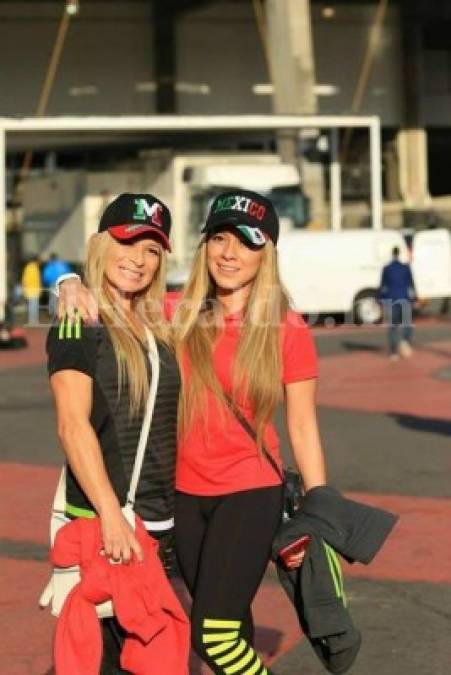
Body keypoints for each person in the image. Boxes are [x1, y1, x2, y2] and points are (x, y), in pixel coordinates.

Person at [56, 189, 327, 675]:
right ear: (204, 246)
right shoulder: (178, 311)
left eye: (247, 242)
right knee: (228, 625)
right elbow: (117, 291)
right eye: (219, 238)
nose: (230, 253)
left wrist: (321, 506)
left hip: (249, 491)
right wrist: (69, 282)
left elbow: (303, 424)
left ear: (266, 254)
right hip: (184, 497)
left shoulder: (285, 326)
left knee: (214, 634)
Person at [47, 193, 183, 674]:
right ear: (102, 243)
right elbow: (71, 424)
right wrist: (110, 515)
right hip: (114, 530)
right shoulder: (79, 323)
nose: (140, 260)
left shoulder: (159, 322)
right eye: (128, 242)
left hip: (163, 530)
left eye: (152, 250)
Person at [379, 246, 417, 360]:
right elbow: (411, 285)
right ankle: (405, 340)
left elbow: (383, 286)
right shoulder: (405, 268)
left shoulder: (387, 268)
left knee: (392, 327)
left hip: (392, 300)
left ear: (392, 254)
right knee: (407, 325)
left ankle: (393, 352)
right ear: (399, 254)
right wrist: (415, 299)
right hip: (404, 299)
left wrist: (380, 299)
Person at [21, 255, 41, 324]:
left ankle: (32, 320)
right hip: (34, 289)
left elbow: (24, 279)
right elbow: (37, 280)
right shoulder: (34, 268)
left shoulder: (28, 267)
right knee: (34, 306)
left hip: (29, 290)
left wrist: (24, 288)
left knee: (32, 306)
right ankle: (33, 321)